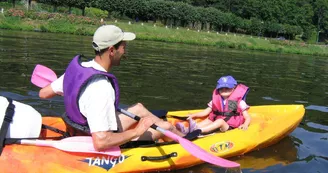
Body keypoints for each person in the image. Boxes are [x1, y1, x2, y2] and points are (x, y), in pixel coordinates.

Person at [39, 25, 185, 151]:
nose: (124, 52)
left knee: (139, 108)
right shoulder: (102, 87)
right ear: (111, 50)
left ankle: (172, 133)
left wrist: (72, 91)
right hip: (91, 137)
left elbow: (43, 93)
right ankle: (186, 140)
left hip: (79, 126)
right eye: (123, 47)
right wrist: (137, 131)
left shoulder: (78, 70)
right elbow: (101, 142)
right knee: (166, 127)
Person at [176, 75, 251, 134]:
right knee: (208, 120)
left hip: (229, 126)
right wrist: (194, 115)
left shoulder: (239, 102)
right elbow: (205, 112)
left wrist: (245, 124)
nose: (224, 90)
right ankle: (186, 130)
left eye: (227, 88)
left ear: (234, 88)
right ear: (218, 89)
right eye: (222, 88)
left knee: (220, 121)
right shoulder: (215, 100)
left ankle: (198, 131)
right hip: (216, 121)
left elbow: (247, 117)